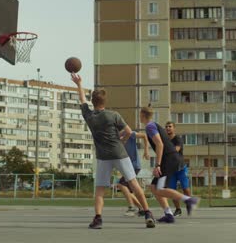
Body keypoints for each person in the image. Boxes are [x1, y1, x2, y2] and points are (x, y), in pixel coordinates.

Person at [71, 73, 156, 229]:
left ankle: (98, 219)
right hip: (119, 153)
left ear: (93, 101)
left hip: (103, 157)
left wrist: (79, 84)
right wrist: (120, 139)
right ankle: (148, 213)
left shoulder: (88, 115)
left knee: (100, 190)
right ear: (105, 101)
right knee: (134, 184)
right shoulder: (113, 115)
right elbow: (129, 132)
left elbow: (82, 100)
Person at [140, 106, 199, 223]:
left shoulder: (150, 126)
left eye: (139, 114)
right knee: (154, 187)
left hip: (169, 159)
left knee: (159, 189)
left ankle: (188, 200)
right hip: (170, 158)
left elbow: (160, 145)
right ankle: (168, 213)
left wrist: (157, 165)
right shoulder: (153, 125)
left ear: (142, 115)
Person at [117, 130, 150, 217]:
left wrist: (146, 150)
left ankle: (132, 207)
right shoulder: (115, 137)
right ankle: (141, 208)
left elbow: (144, 136)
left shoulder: (129, 133)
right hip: (127, 166)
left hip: (134, 165)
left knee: (121, 185)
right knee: (129, 191)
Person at [165, 121, 191, 217]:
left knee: (185, 188)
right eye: (166, 127)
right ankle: (178, 209)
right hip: (171, 169)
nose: (168, 128)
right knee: (172, 191)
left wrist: (165, 151)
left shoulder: (178, 139)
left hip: (180, 167)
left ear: (174, 128)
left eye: (170, 126)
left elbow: (176, 150)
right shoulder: (165, 140)